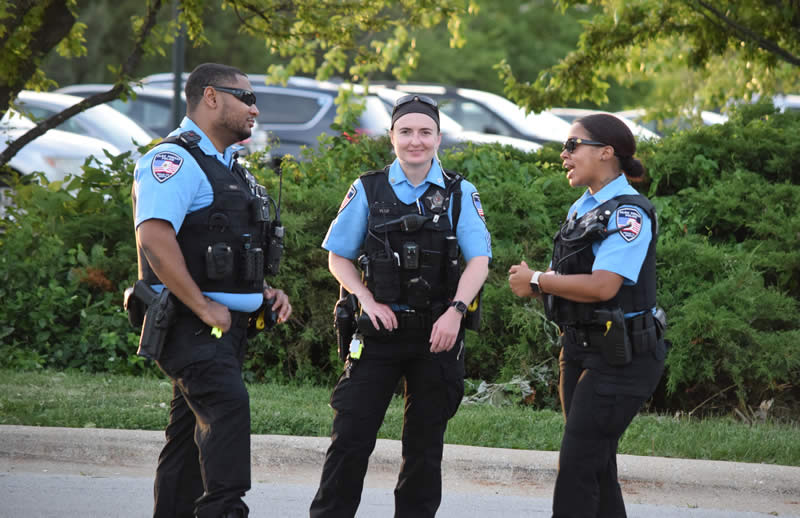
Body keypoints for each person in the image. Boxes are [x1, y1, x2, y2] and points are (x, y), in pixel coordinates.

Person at [309, 95, 492, 518]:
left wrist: (456, 311)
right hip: (378, 334)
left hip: (437, 335)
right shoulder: (368, 188)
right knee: (350, 436)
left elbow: (478, 261)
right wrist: (365, 299)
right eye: (406, 132)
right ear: (391, 136)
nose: (416, 141)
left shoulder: (460, 193)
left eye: (425, 132)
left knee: (424, 448)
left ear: (439, 138)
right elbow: (338, 257)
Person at [132, 63, 292, 518]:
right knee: (226, 408)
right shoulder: (174, 160)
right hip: (191, 325)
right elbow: (155, 239)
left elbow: (216, 248)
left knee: (186, 444)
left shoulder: (226, 166)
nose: (254, 108)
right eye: (246, 97)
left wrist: (262, 291)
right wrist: (203, 306)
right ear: (211, 97)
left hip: (222, 328)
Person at [508, 113, 666, 518]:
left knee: (578, 467)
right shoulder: (584, 205)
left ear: (606, 153)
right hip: (578, 350)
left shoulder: (628, 213)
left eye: (573, 145)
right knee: (596, 467)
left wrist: (539, 280)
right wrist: (538, 282)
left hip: (621, 357)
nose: (564, 154)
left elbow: (603, 286)